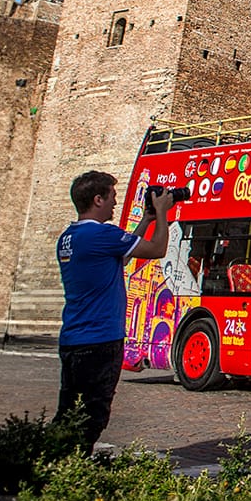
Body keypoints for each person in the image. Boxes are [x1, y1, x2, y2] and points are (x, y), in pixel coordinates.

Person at [54, 171, 172, 448]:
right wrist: (164, 212)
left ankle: (52, 460)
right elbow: (157, 249)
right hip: (100, 340)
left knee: (69, 410)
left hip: (73, 339)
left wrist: (147, 220)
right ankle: (73, 468)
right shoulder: (102, 234)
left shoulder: (69, 237)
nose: (115, 203)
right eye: (112, 197)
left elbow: (124, 254)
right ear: (97, 199)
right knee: (93, 414)